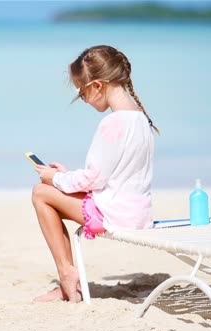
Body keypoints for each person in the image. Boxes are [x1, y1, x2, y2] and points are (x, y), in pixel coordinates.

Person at [32, 45, 159, 303]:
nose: (84, 99)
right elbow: (113, 177)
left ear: (98, 86)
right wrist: (67, 176)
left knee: (41, 193)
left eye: (82, 92)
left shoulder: (113, 123)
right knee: (53, 189)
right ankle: (69, 277)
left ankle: (67, 275)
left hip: (115, 215)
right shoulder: (141, 120)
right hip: (137, 213)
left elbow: (94, 179)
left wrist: (54, 179)